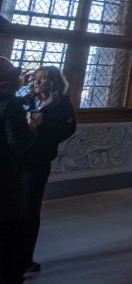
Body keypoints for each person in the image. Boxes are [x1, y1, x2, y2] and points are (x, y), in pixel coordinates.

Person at [19, 66, 76, 276]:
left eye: (43, 79)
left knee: (28, 209)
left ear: (53, 82)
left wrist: (42, 126)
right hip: (17, 159)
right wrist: (20, 86)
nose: (37, 82)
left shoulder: (62, 104)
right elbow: (9, 104)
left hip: (36, 162)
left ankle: (25, 258)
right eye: (35, 78)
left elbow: (65, 130)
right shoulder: (26, 98)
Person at [0, 57, 36, 284]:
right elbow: (18, 140)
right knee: (7, 229)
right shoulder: (9, 102)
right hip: (4, 173)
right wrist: (33, 131)